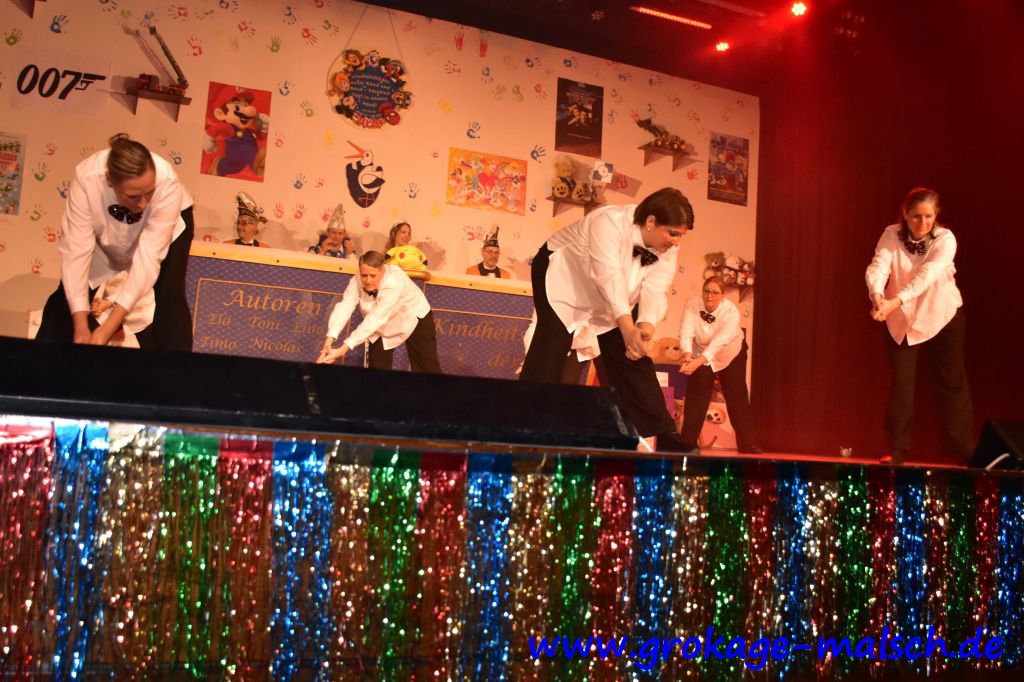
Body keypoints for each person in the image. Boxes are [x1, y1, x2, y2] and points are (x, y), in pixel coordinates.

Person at [519, 187, 694, 451]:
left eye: (680, 235)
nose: (676, 241)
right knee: (551, 345)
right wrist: (627, 328)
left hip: (614, 296)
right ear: (650, 221)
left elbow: (655, 289)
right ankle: (525, 428)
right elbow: (607, 276)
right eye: (673, 233)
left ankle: (663, 433)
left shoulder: (666, 247)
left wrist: (644, 327)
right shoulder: (608, 222)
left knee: (632, 357)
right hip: (564, 278)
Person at [36, 133, 194, 351]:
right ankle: (40, 365)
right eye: (133, 196)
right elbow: (76, 252)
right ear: (110, 181)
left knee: (169, 296)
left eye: (149, 193)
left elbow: (147, 261)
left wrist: (107, 328)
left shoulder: (167, 183)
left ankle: (174, 370)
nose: (143, 204)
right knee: (67, 300)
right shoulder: (87, 179)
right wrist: (81, 327)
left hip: (169, 230)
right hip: (105, 231)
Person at [865, 187, 973, 464]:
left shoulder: (945, 239)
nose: (922, 223)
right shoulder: (891, 234)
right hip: (901, 317)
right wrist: (877, 295)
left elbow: (927, 275)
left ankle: (965, 451)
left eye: (928, 217)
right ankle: (897, 451)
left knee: (951, 381)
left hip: (941, 314)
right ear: (905, 213)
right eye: (916, 216)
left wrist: (893, 301)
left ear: (936, 216)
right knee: (901, 384)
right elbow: (879, 266)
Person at [316, 250, 441, 373]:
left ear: (383, 270)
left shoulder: (393, 282)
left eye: (373, 276)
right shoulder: (356, 280)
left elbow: (375, 319)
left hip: (414, 316)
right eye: (364, 275)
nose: (368, 280)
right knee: (377, 368)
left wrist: (342, 350)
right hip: (380, 324)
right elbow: (345, 306)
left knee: (427, 368)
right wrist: (329, 340)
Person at [677, 276, 760, 454]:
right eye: (706, 291)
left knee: (737, 396)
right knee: (696, 397)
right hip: (700, 352)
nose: (710, 296)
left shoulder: (731, 312)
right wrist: (687, 356)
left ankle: (747, 444)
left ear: (722, 295)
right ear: (702, 292)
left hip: (730, 354)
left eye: (715, 292)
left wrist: (698, 361)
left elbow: (719, 342)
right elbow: (686, 332)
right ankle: (688, 443)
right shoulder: (692, 305)